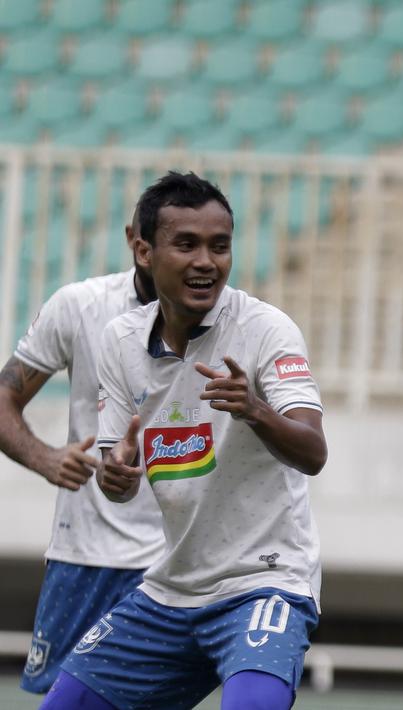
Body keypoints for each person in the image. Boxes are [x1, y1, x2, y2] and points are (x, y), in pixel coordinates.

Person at [39, 171, 328, 710]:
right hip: (171, 588)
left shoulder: (267, 330)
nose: (207, 262)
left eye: (220, 247)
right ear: (144, 251)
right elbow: (117, 477)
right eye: (187, 244)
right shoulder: (120, 341)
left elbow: (314, 452)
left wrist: (256, 410)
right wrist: (114, 476)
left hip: (265, 581)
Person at [0, 211, 165, 694]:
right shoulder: (81, 306)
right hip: (85, 555)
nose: (198, 261)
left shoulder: (233, 322)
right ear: (136, 243)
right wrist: (46, 458)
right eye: (180, 243)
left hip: (175, 559)